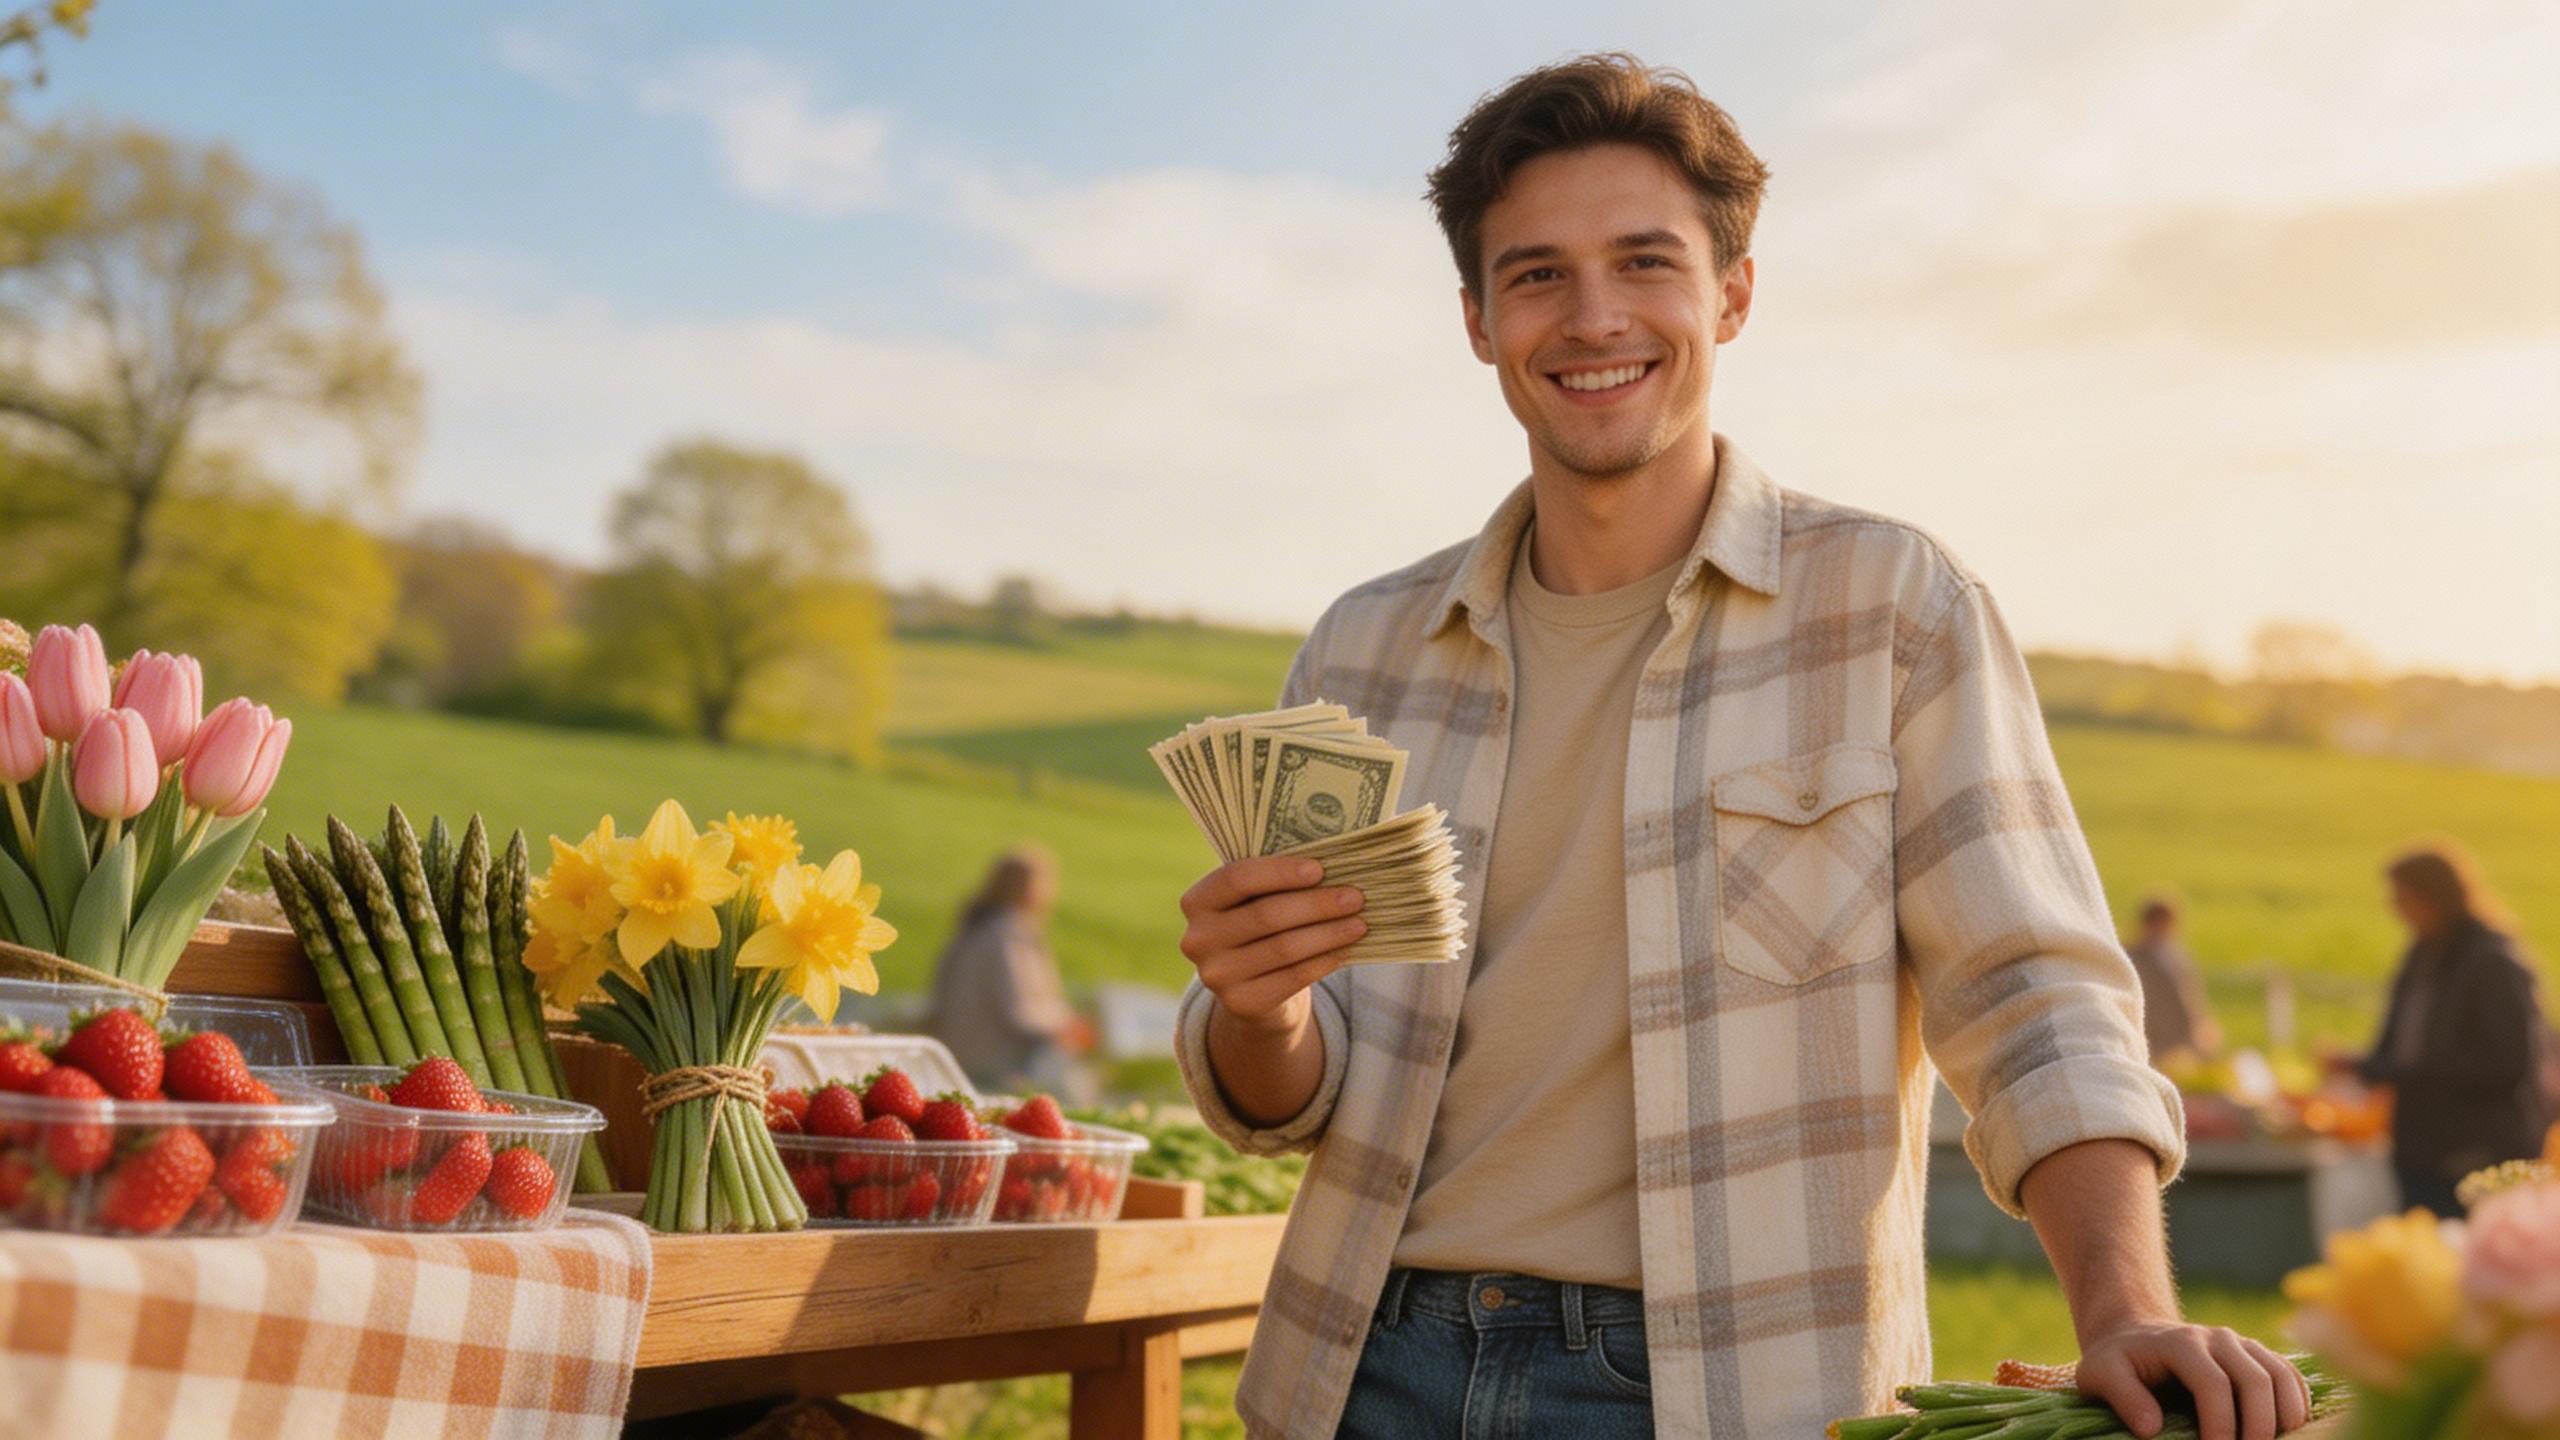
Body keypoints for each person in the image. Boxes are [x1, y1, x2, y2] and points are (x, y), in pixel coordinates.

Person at [1170, 54, 2309, 1440]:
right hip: (1364, 1370)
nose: (1593, 317)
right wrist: (1261, 1012)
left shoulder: (1891, 610)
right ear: (1477, 320)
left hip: (1731, 1387)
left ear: (1733, 294)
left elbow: (2034, 1004)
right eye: (1536, 275)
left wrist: (2124, 1311)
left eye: (1644, 262)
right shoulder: (1362, 653)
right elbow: (1289, 1099)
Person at [2354, 845, 2550, 1217]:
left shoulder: (2492, 961)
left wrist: (2398, 1073)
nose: (2395, 908)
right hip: (2419, 1146)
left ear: (2434, 896)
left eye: (2403, 897)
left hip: (2477, 1149)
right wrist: (2366, 1066)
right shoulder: (2423, 954)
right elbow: (2395, 1037)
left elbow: (2506, 1063)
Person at [925, 846, 1095, 1097]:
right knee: (1074, 1079)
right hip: (994, 1063)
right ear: (1031, 887)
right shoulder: (1008, 935)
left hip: (957, 1055)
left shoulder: (976, 927)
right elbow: (1018, 1012)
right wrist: (1068, 1025)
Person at [2127, 894, 2222, 1060]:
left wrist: (2203, 1026)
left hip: (2185, 1041)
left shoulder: (2177, 955)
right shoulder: (2131, 957)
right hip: (2152, 1042)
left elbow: (2192, 996)